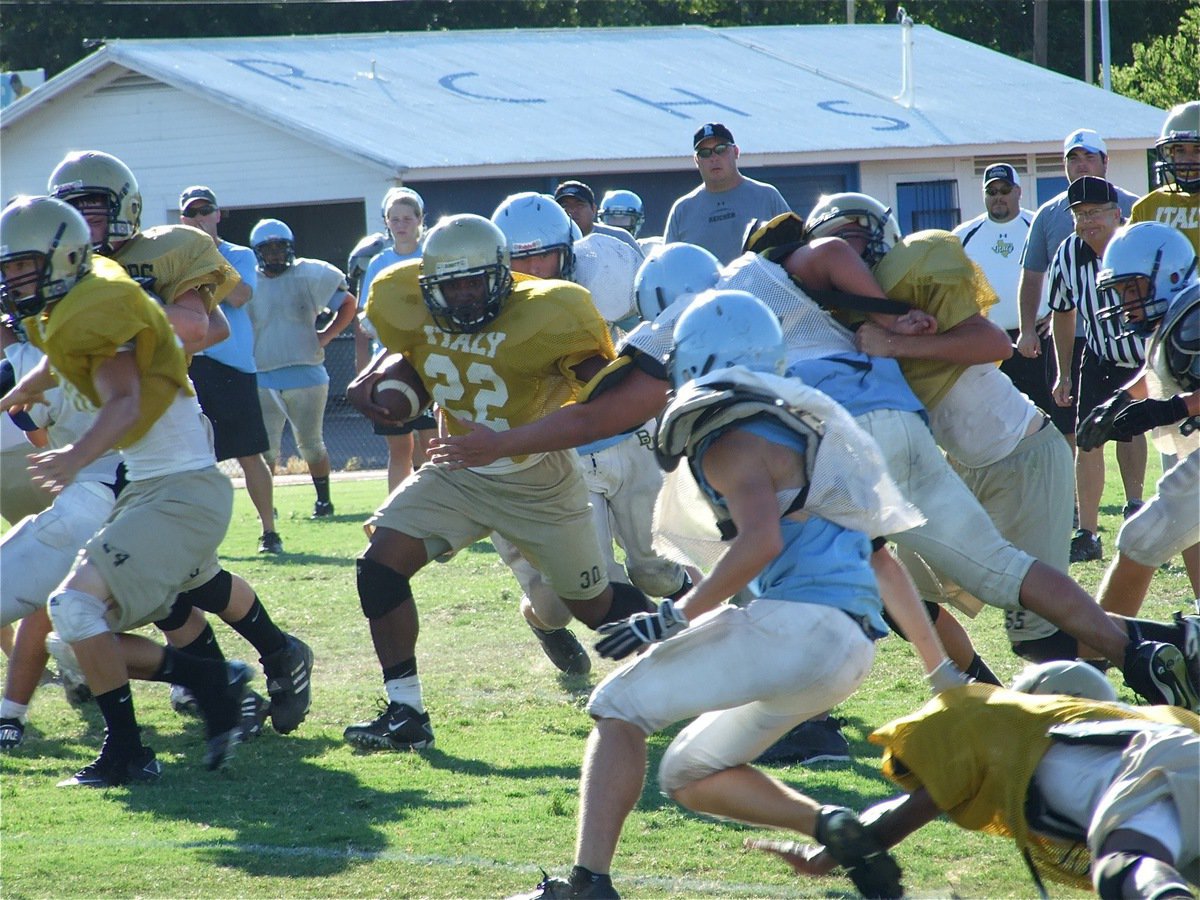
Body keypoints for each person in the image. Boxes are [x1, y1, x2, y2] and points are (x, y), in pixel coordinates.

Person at [430, 230, 1200, 715]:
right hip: (898, 415)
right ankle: (1140, 650)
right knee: (989, 567)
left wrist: (505, 443)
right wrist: (890, 313)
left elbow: (609, 411)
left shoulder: (692, 312)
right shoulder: (800, 266)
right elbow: (843, 262)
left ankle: (844, 712)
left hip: (829, 432)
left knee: (815, 566)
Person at [522, 289, 919, 900]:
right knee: (687, 773)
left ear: (693, 363)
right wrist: (943, 672)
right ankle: (833, 826)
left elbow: (759, 541)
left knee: (617, 709)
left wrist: (674, 615)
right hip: (851, 651)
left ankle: (587, 885)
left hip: (795, 626)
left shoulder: (730, 436)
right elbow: (883, 561)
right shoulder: (803, 430)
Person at [342, 213, 659, 751]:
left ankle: (698, 660)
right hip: (457, 469)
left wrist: (503, 443)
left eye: (474, 283)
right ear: (428, 286)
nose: (464, 297)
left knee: (593, 605)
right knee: (379, 567)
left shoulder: (550, 312)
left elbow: (606, 407)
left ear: (502, 275)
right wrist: (375, 378)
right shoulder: (404, 300)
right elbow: (417, 354)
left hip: (537, 478)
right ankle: (406, 713)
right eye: (451, 286)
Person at [48, 150, 314, 741]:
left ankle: (219, 681)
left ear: (125, 209)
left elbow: (204, 328)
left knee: (142, 587)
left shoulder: (160, 251)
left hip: (166, 432)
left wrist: (111, 307)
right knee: (191, 581)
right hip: (129, 441)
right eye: (73, 209)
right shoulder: (67, 273)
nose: (85, 221)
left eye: (96, 207)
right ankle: (266, 659)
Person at [0, 196, 254, 785]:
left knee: (73, 608)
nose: (13, 281)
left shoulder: (95, 304)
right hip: (151, 488)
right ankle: (209, 681)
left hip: (182, 489)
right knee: (76, 632)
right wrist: (20, 394)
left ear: (63, 256)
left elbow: (125, 400)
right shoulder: (66, 298)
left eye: (22, 267)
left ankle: (135, 747)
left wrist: (75, 456)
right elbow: (63, 359)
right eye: (7, 269)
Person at [811, 191, 1076, 663]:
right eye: (832, 243)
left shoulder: (915, 274)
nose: (844, 252)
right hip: (956, 469)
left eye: (851, 235)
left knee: (1042, 637)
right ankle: (981, 698)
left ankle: (1154, 654)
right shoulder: (851, 316)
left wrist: (895, 343)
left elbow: (993, 342)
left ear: (878, 235)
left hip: (1021, 454)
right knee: (902, 595)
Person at [748, 661, 1199, 900]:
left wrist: (827, 854)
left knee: (1124, 865)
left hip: (1151, 771)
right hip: (1173, 767)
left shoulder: (1001, 722)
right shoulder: (1144, 722)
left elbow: (912, 809)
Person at [490, 192, 693, 676]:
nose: (536, 269)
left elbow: (650, 329)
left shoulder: (612, 274)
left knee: (658, 567)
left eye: (545, 255)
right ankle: (547, 623)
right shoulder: (485, 308)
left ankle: (708, 631)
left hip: (627, 436)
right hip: (558, 455)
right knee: (569, 596)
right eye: (521, 259)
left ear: (570, 251)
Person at [1077, 222, 1200, 615]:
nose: (1126, 301)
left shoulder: (1193, 316)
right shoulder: (1181, 315)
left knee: (1141, 536)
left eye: (1133, 289)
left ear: (1170, 274)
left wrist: (1172, 409)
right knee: (1171, 533)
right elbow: (1158, 372)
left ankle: (1098, 653)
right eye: (1121, 291)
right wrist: (1119, 400)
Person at [1016, 129, 1140, 461]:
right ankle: (1074, 507)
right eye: (1073, 158)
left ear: (1105, 161)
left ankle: (1134, 501)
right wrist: (1027, 327)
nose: (1081, 164)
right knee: (1072, 423)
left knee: (1132, 425)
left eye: (1089, 157)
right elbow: (1033, 275)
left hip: (1127, 337)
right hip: (1073, 336)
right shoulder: (1050, 213)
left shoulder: (1133, 206)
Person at [177, 185, 281, 555]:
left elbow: (238, 296)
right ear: (182, 219)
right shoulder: (173, 257)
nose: (200, 219)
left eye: (206, 211)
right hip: (190, 365)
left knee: (249, 453)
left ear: (218, 214)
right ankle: (201, 542)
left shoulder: (238, 255)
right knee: (194, 460)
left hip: (233, 367)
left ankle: (269, 531)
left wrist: (202, 261)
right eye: (192, 214)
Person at [1048, 176, 1147, 562]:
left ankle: (1136, 507)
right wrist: (1064, 371)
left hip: (1143, 355)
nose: (1087, 222)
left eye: (1095, 213)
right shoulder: (1069, 253)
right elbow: (1062, 310)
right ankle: (1088, 532)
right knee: (1088, 437)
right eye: (1079, 214)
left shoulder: (1137, 245)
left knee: (1135, 431)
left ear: (1116, 214)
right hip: (1100, 354)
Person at [246, 217, 357, 518]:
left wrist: (328, 335)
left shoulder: (308, 273)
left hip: (306, 372)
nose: (275, 255)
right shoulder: (246, 279)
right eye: (268, 250)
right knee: (265, 449)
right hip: (263, 375)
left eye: (280, 248)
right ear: (257, 252)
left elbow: (348, 302)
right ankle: (266, 508)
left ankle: (323, 501)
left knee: (311, 445)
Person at [355, 187, 437, 492]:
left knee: (433, 446)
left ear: (420, 220)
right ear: (386, 222)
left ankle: (437, 512)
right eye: (394, 218)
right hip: (390, 363)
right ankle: (397, 517)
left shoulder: (432, 256)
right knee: (399, 449)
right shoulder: (378, 263)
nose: (401, 224)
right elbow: (366, 313)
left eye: (407, 218)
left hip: (429, 361)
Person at [953, 164, 1051, 413]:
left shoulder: (1038, 226)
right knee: (986, 417)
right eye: (992, 191)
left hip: (1036, 338)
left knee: (1048, 416)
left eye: (1004, 189)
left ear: (1018, 191)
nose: (998, 196)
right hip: (985, 339)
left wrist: (1056, 315)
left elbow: (1066, 274)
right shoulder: (963, 235)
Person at [662, 123, 790, 264]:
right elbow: (668, 266)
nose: (714, 158)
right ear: (696, 160)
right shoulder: (682, 210)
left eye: (721, 149)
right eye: (705, 153)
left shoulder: (767, 196)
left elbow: (795, 250)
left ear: (736, 152)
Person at [1131, 101, 1199, 252]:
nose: (1188, 160)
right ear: (1169, 154)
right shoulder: (1146, 207)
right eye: (1180, 150)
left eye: (1197, 150)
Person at [553, 181, 644, 256]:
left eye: (579, 205)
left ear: (593, 209)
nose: (572, 211)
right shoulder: (548, 240)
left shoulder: (620, 238)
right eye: (565, 206)